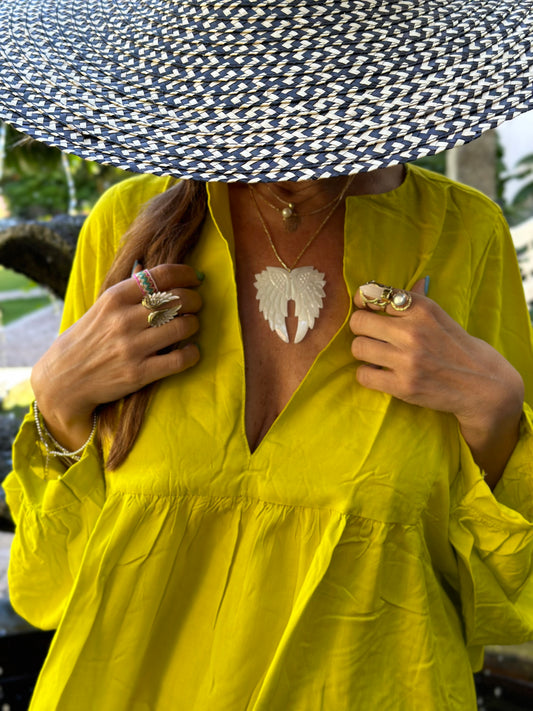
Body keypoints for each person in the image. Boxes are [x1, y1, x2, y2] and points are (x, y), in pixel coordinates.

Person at [1, 1, 533, 709]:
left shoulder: (465, 237)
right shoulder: (126, 228)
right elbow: (49, 586)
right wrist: (58, 403)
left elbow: (507, 604)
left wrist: (497, 418)